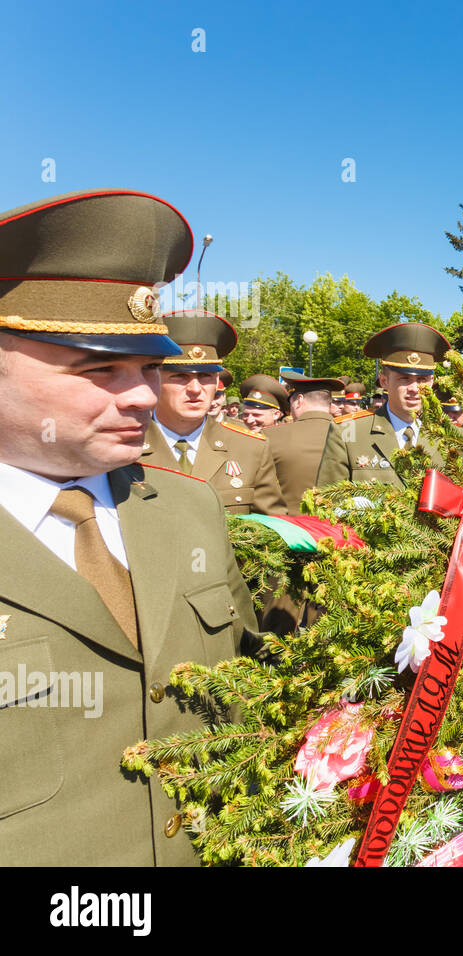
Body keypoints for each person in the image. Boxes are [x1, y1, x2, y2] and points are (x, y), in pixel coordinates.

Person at [0, 188, 260, 864]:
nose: (144, 394)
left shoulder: (185, 505)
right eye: (101, 368)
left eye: (149, 365)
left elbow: (249, 691)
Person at [138, 311, 287, 516]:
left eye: (205, 376)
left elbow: (273, 533)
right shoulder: (124, 445)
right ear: (155, 378)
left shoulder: (250, 449)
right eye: (180, 376)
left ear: (217, 381)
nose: (195, 389)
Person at [320, 323, 450, 489]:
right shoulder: (348, 432)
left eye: (422, 380)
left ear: (431, 382)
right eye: (404, 379)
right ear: (384, 381)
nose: (414, 388)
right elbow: (326, 502)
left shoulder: (449, 436)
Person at [265, 371, 348, 513]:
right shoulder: (351, 433)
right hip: (342, 531)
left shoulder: (271, 436)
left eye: (290, 401)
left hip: (289, 530)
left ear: (299, 400)